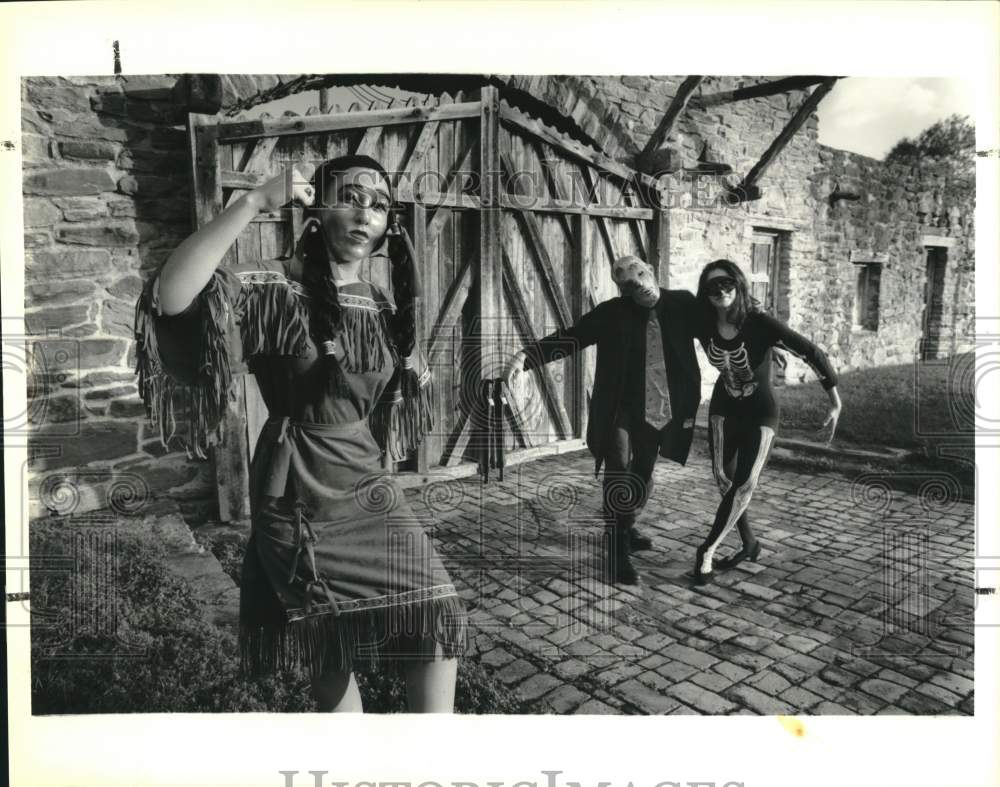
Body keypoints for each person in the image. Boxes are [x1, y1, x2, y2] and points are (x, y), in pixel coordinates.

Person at [134, 155, 466, 712]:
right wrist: (254, 202)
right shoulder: (271, 286)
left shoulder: (381, 304)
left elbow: (401, 397)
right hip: (296, 493)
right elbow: (172, 298)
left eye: (380, 205)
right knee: (328, 648)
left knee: (436, 618)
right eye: (352, 197)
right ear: (316, 207)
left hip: (367, 485)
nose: (366, 214)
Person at [507, 256, 702, 585]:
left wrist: (758, 345)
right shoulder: (612, 313)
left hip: (659, 406)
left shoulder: (682, 303)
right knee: (618, 467)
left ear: (651, 271)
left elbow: (716, 326)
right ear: (621, 289)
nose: (636, 283)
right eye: (626, 282)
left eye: (640, 274)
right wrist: (524, 357)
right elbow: (572, 337)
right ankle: (617, 549)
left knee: (643, 473)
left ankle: (626, 523)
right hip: (619, 407)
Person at [692, 259, 842, 585]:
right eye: (712, 287)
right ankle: (749, 543)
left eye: (726, 284)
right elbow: (664, 310)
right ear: (703, 293)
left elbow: (812, 352)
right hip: (723, 408)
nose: (720, 291)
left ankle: (706, 550)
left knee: (745, 483)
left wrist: (835, 400)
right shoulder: (701, 321)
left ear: (739, 284)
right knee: (723, 479)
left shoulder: (759, 323)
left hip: (760, 411)